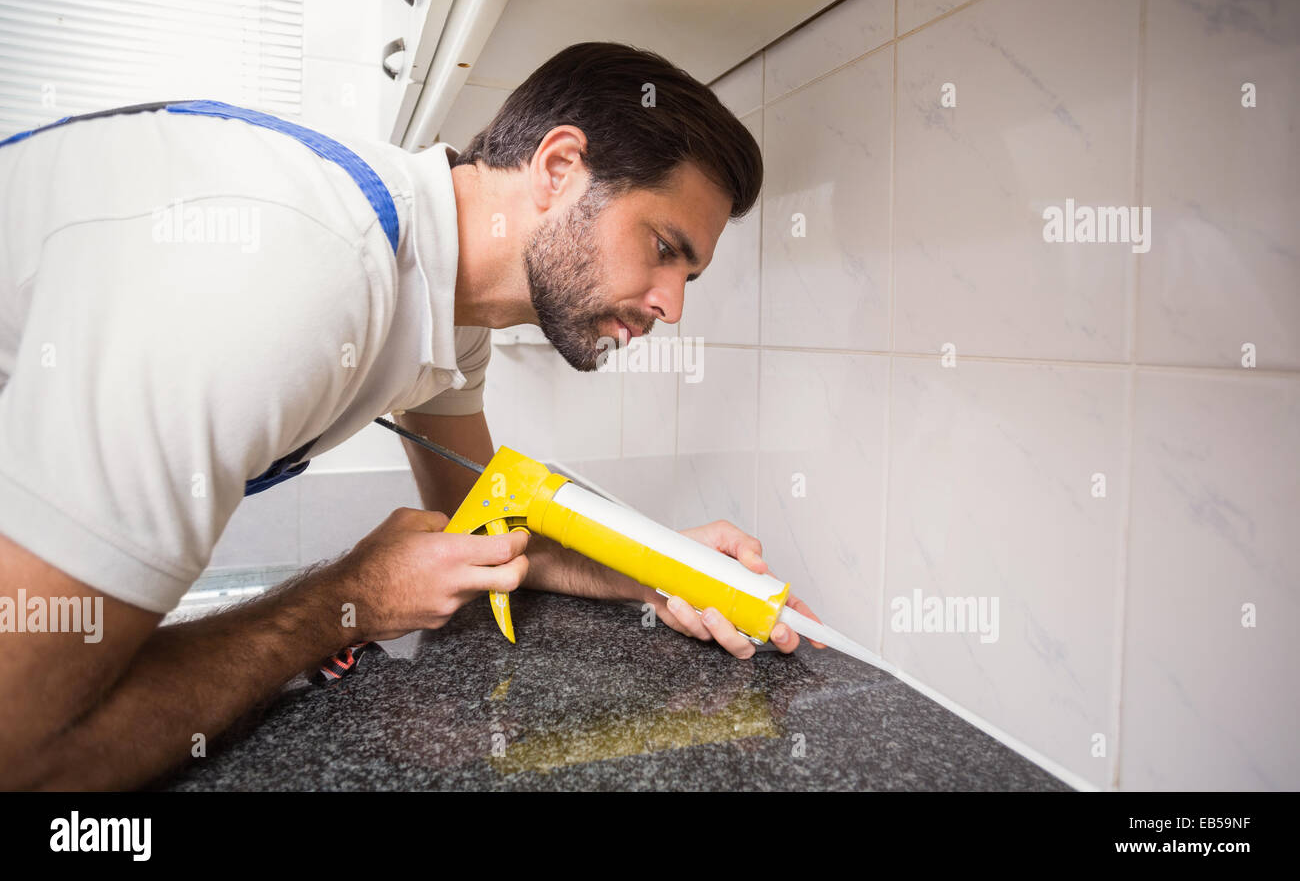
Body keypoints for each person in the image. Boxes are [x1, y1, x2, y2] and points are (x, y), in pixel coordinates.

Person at [0, 41, 823, 789]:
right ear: (560, 166)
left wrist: (662, 565)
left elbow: (482, 519)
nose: (672, 307)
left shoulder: (449, 314)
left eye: (691, 275)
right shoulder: (304, 271)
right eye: (664, 248)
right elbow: (30, 753)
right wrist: (350, 596)